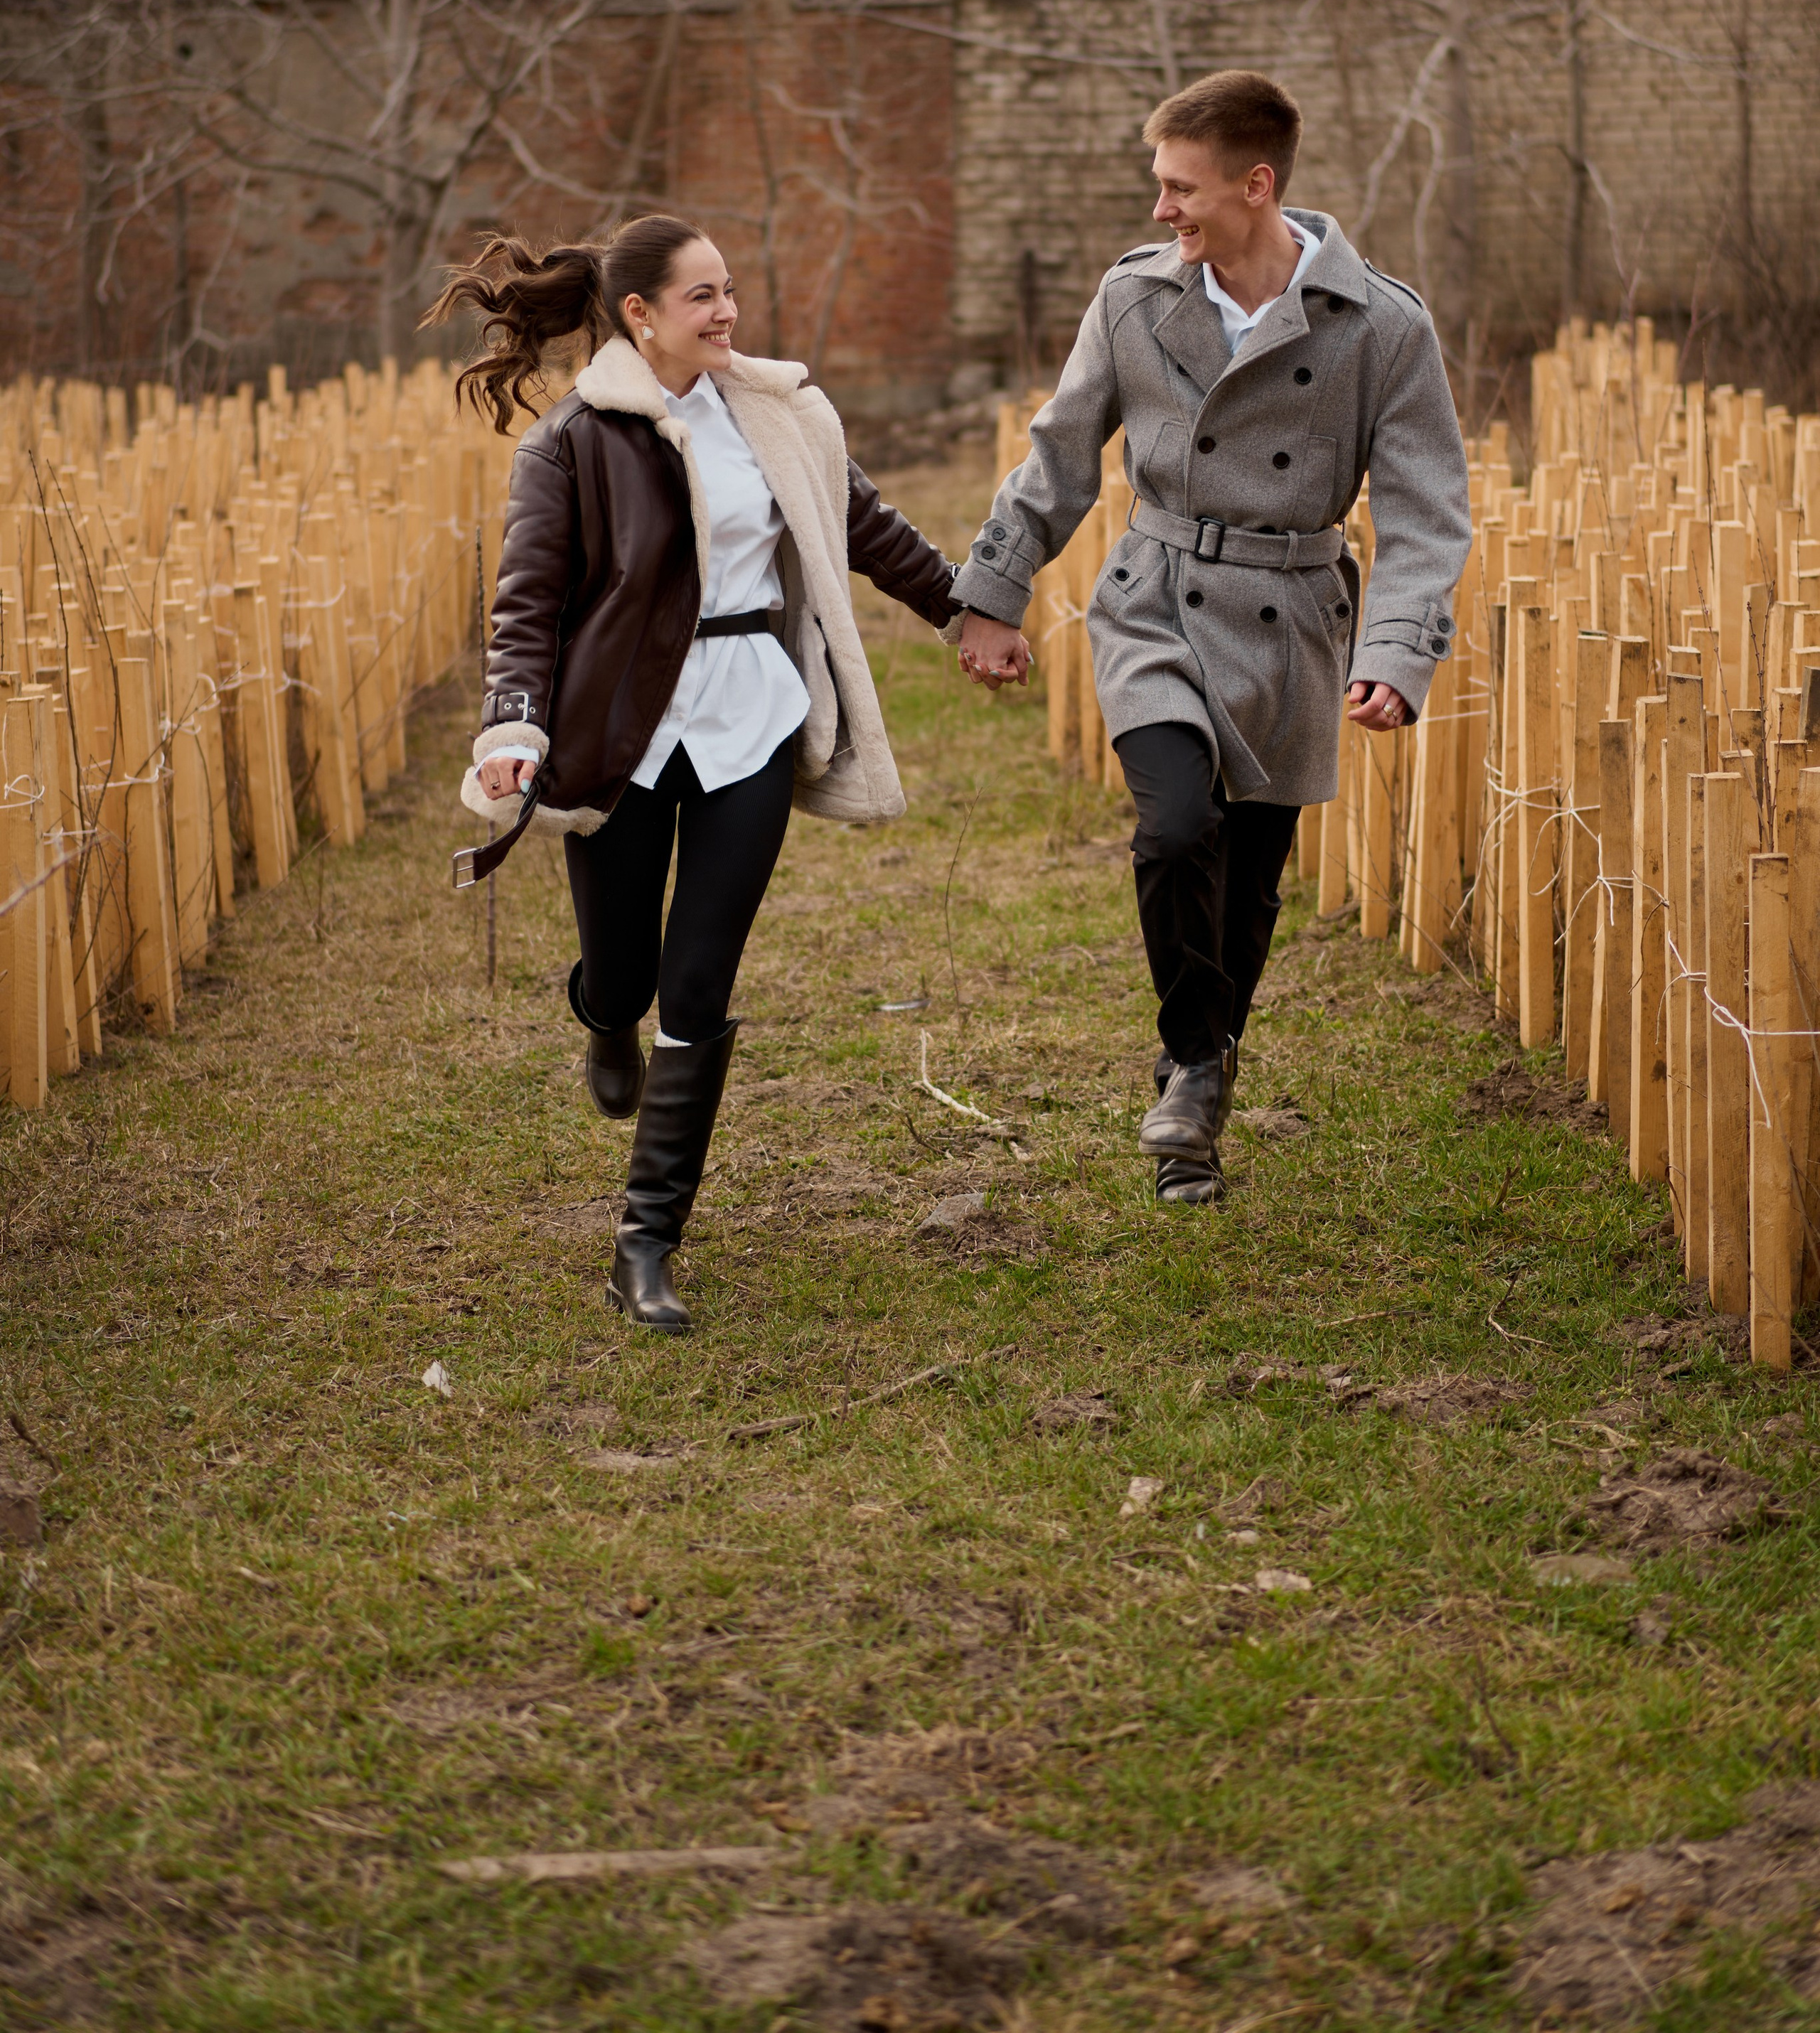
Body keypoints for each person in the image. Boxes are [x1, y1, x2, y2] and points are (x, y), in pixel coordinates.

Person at [427, 218, 999, 1333]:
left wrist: (965, 613)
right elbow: (527, 608)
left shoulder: (777, 413)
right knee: (628, 973)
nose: (727, 311)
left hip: (755, 719)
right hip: (621, 733)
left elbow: (864, 525)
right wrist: (512, 728)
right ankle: (602, 1010)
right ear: (640, 315)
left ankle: (645, 1240)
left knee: (698, 985)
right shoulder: (572, 444)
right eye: (702, 297)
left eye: (730, 290)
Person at [952, 70, 1472, 1206]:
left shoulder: (1382, 324)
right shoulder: (1136, 298)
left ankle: (1203, 1075)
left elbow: (1430, 510)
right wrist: (993, 592)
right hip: (1157, 597)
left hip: (1294, 620)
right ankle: (1192, 1063)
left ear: (1256, 184)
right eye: (1158, 186)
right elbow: (1059, 453)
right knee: (1176, 828)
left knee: (1248, 881)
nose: (1161, 212)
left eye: (1180, 189)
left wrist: (1396, 655)